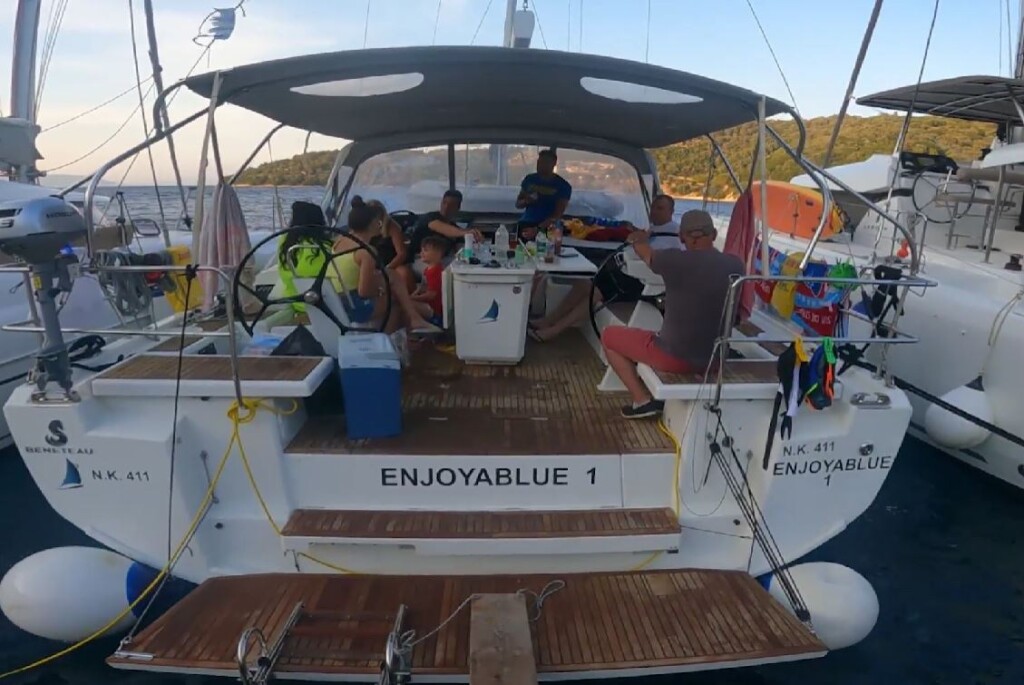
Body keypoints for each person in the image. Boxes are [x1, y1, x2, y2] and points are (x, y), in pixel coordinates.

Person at [601, 209, 744, 419]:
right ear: (713, 235)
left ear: (681, 237)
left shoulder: (672, 260)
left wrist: (638, 237)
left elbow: (643, 251)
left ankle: (642, 401)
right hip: (715, 359)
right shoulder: (736, 264)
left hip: (674, 358)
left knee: (609, 336)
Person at [527, 194, 680, 342]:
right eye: (653, 207)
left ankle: (553, 330)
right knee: (583, 283)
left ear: (671, 212)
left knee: (595, 293)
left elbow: (652, 263)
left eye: (660, 208)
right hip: (627, 274)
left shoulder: (672, 237)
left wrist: (638, 244)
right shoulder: (653, 230)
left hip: (642, 284)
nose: (654, 212)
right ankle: (548, 321)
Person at [331, 198, 442, 334]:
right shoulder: (366, 251)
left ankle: (417, 319)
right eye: (378, 222)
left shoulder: (339, 241)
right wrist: (382, 291)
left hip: (336, 301)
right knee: (396, 301)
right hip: (354, 306)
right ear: (372, 224)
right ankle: (388, 338)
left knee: (392, 276)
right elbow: (364, 292)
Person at [407, 189, 482, 276]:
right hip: (421, 259)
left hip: (442, 260)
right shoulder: (430, 218)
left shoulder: (456, 229)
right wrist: (467, 232)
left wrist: (476, 241)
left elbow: (461, 250)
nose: (446, 207)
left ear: (458, 207)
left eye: (451, 205)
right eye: (444, 203)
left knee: (464, 268)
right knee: (445, 273)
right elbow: (442, 228)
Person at [516, 149, 572, 241]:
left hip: (549, 227)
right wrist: (527, 201)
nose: (540, 165)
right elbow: (518, 204)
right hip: (526, 223)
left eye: (545, 162)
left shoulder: (563, 186)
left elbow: (557, 215)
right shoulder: (529, 180)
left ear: (553, 164)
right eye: (539, 162)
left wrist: (537, 230)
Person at [365, 198, 414, 293]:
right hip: (371, 266)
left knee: (404, 273)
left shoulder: (392, 226)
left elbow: (402, 253)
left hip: (393, 264)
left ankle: (412, 298)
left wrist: (387, 268)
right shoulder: (364, 229)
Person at [409, 236, 448, 328]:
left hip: (435, 313)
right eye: (421, 250)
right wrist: (411, 296)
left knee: (408, 305)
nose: (421, 253)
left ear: (438, 254)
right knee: (406, 303)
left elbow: (431, 295)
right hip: (428, 307)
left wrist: (413, 299)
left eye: (425, 250)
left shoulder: (436, 272)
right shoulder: (428, 270)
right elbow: (422, 287)